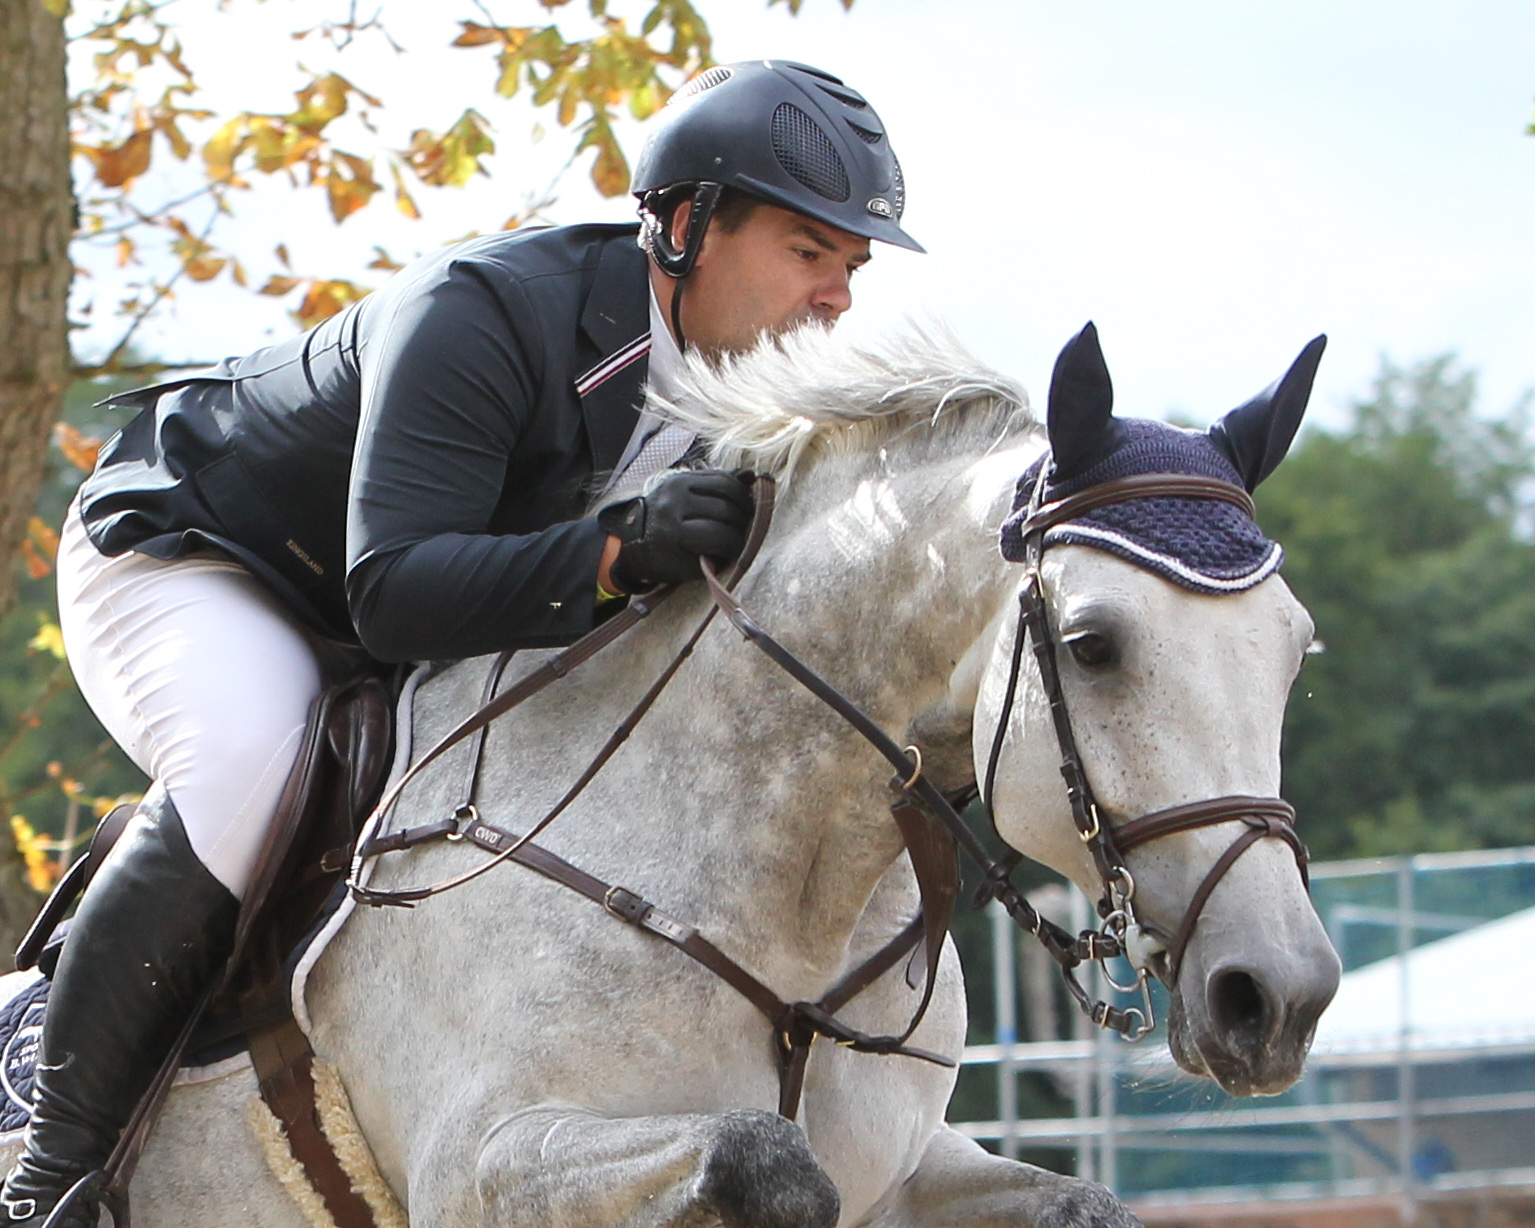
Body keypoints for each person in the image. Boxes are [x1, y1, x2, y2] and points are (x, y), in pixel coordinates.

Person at [1, 59, 920, 1227]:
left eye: (850, 266)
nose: (835, 296)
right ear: (688, 225)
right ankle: (48, 1180)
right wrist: (612, 555)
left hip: (402, 607)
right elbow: (391, 590)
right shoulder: (486, 309)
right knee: (253, 761)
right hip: (203, 552)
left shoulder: (764, 396)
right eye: (806, 250)